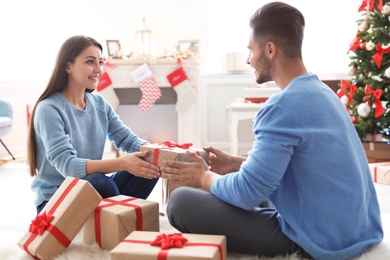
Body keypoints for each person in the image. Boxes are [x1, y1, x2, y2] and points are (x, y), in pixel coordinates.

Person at [161, 2, 383, 259]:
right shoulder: (323, 92)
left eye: (250, 50)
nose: (248, 59)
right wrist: (236, 164)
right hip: (354, 228)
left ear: (269, 50)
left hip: (320, 238)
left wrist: (203, 177)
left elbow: (246, 193)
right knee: (233, 187)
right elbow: (306, 165)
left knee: (181, 202)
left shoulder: (283, 106)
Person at [27, 35, 160, 215]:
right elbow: (69, 167)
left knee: (149, 165)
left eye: (100, 62)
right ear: (68, 66)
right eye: (90, 62)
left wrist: (160, 152)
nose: (98, 69)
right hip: (54, 200)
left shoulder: (99, 103)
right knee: (99, 182)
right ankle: (126, 216)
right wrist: (123, 163)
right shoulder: (48, 109)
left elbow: (127, 139)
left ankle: (121, 216)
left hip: (90, 193)